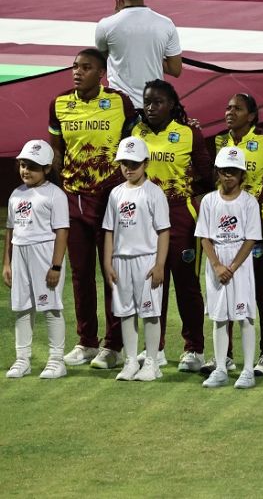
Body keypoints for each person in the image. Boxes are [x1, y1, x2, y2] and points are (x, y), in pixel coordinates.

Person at [47, 48, 132, 370]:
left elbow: (136, 140)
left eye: (86, 67)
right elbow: (57, 149)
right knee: (81, 275)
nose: (77, 72)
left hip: (108, 201)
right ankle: (86, 342)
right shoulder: (59, 104)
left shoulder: (119, 103)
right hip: (73, 200)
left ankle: (114, 346)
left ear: (102, 73)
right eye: (74, 67)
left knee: (112, 273)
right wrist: (62, 185)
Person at [134, 80, 210, 372]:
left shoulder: (188, 134)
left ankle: (194, 349)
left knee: (186, 283)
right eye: (147, 102)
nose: (151, 108)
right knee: (153, 283)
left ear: (172, 105)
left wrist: (182, 192)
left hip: (180, 216)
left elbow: (207, 174)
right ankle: (156, 347)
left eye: (158, 102)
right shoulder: (135, 131)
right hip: (144, 218)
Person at [213, 93, 263, 377]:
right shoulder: (219, 140)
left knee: (261, 289)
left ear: (251, 115)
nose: (230, 112)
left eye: (237, 109)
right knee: (224, 287)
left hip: (256, 223)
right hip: (224, 222)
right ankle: (224, 356)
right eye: (227, 107)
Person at [102, 136, 169, 383]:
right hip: (121, 261)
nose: (128, 168)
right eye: (124, 163)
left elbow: (163, 231)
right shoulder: (115, 194)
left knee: (150, 313)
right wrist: (108, 262)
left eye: (134, 163)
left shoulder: (154, 193)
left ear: (145, 163)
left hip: (146, 261)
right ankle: (131, 360)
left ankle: (152, 362)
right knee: (125, 312)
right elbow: (109, 230)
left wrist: (160, 264)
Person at [196, 147, 262, 390]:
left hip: (239, 264)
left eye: (233, 172)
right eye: (224, 171)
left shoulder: (249, 203)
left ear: (242, 174)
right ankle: (221, 368)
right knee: (219, 316)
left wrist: (231, 267)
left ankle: (247, 370)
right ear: (218, 172)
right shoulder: (209, 201)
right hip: (216, 264)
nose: (228, 176)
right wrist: (216, 265)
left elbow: (251, 239)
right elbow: (204, 236)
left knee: (244, 316)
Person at [4, 140, 69, 380]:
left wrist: (56, 265)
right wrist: (7, 263)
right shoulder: (16, 194)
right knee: (21, 308)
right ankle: (23, 359)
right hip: (20, 254)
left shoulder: (55, 195)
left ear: (47, 168)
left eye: (32, 166)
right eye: (23, 165)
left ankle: (56, 360)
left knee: (50, 307)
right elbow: (10, 230)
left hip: (44, 256)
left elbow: (62, 231)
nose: (26, 171)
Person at [94, 0, 182, 110]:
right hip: (154, 108)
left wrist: (117, 16)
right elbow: (175, 69)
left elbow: (101, 62)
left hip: (119, 108)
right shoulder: (166, 24)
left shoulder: (106, 25)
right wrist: (150, 53)